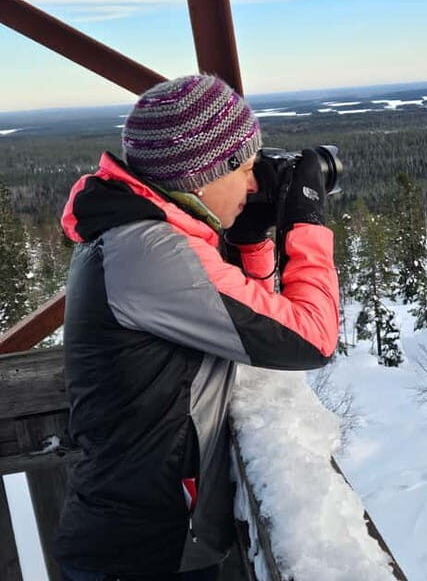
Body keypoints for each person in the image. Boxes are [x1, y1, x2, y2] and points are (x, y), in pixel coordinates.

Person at [53, 74, 340, 580]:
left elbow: (247, 320)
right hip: (139, 551)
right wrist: (307, 222)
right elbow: (311, 338)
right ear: (202, 176)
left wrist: (250, 236)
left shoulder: (136, 235)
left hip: (148, 535)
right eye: (246, 170)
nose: (252, 185)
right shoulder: (149, 252)